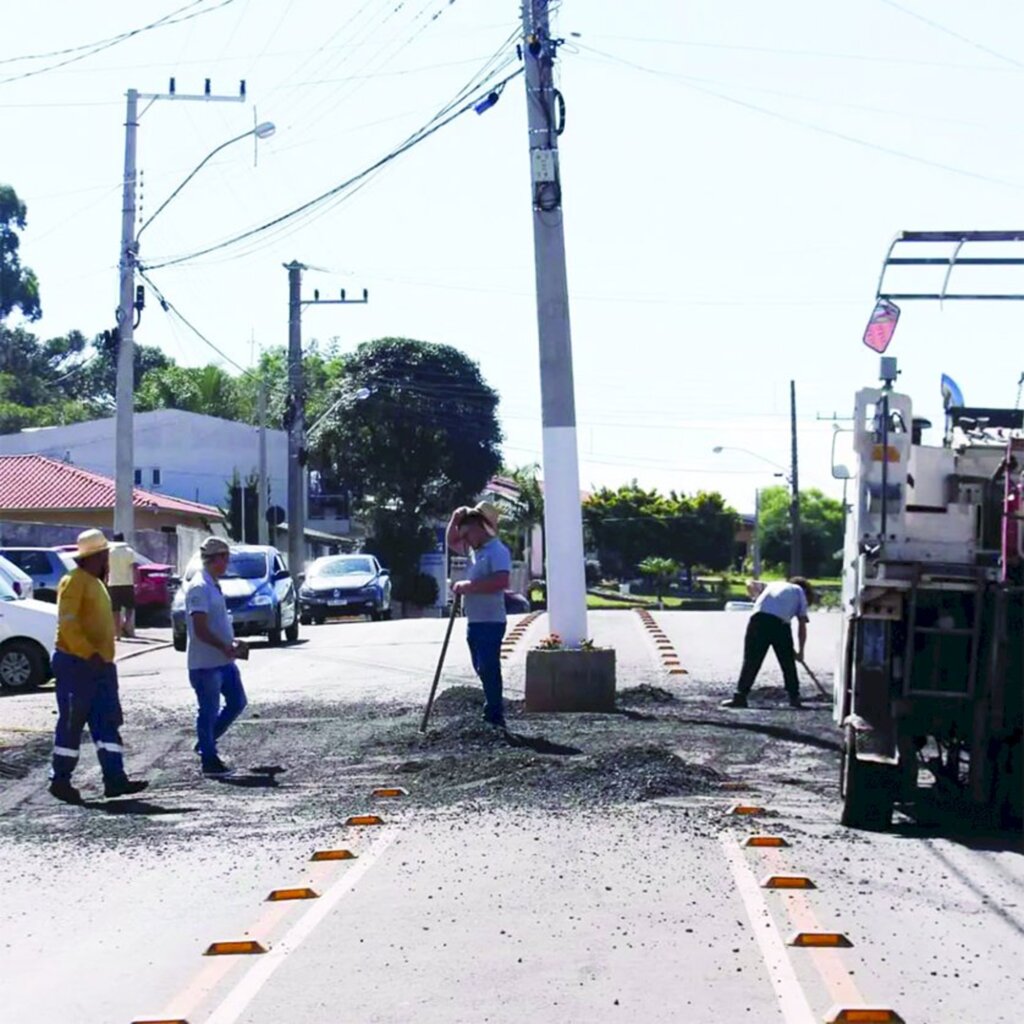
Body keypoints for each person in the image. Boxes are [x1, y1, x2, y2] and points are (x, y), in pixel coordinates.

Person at [48, 529, 149, 804]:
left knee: (107, 721)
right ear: (95, 557)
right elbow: (68, 624)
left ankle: (115, 779)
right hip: (77, 664)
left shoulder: (95, 582)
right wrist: (87, 653)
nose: (108, 559)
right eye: (104, 554)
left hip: (100, 666)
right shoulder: (74, 582)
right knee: (72, 722)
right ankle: (60, 780)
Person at [185, 536, 248, 776]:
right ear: (217, 559)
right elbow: (199, 629)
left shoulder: (212, 583)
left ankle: (206, 742)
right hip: (206, 664)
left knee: (237, 702)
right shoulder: (199, 586)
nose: (228, 563)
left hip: (224, 659)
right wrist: (224, 645)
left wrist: (230, 644)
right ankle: (209, 761)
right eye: (226, 558)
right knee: (208, 710)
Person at [446, 502, 512, 730]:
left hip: (491, 620)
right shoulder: (475, 551)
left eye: (467, 534)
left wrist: (469, 586)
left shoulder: (497, 551)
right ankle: (492, 705)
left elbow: (501, 581)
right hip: (474, 620)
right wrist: (455, 519)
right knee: (479, 666)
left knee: (488, 665)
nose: (464, 540)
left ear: (477, 529)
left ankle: (494, 712)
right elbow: (451, 541)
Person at [721, 577, 817, 710]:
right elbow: (802, 625)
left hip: (757, 619)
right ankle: (794, 697)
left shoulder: (773, 584)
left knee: (751, 660)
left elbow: (750, 582)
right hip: (779, 624)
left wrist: (754, 595)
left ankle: (740, 696)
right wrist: (801, 652)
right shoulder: (799, 591)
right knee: (787, 662)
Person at [107, 531, 137, 639]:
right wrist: (136, 581)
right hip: (127, 583)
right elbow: (134, 567)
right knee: (130, 608)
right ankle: (125, 623)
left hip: (113, 583)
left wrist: (105, 580)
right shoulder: (129, 551)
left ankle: (118, 634)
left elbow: (106, 568)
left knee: (115, 610)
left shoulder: (109, 552)